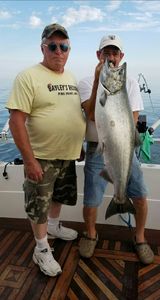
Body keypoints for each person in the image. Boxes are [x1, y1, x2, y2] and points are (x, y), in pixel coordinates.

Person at [6, 23, 86, 276]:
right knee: (38, 204)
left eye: (63, 46)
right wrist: (30, 161)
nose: (58, 51)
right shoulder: (28, 76)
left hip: (67, 154)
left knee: (59, 196)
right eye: (52, 46)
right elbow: (16, 121)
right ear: (43, 47)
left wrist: (79, 144)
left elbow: (72, 113)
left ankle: (53, 226)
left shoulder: (71, 77)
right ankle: (41, 248)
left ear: (69, 49)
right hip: (41, 156)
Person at [78, 34, 154, 264]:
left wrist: (124, 142)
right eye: (106, 53)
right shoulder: (84, 82)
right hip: (97, 148)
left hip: (124, 147)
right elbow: (91, 114)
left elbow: (132, 117)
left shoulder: (129, 83)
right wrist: (96, 81)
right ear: (98, 55)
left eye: (115, 53)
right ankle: (91, 235)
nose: (110, 58)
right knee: (91, 199)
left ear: (121, 57)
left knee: (140, 195)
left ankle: (140, 237)